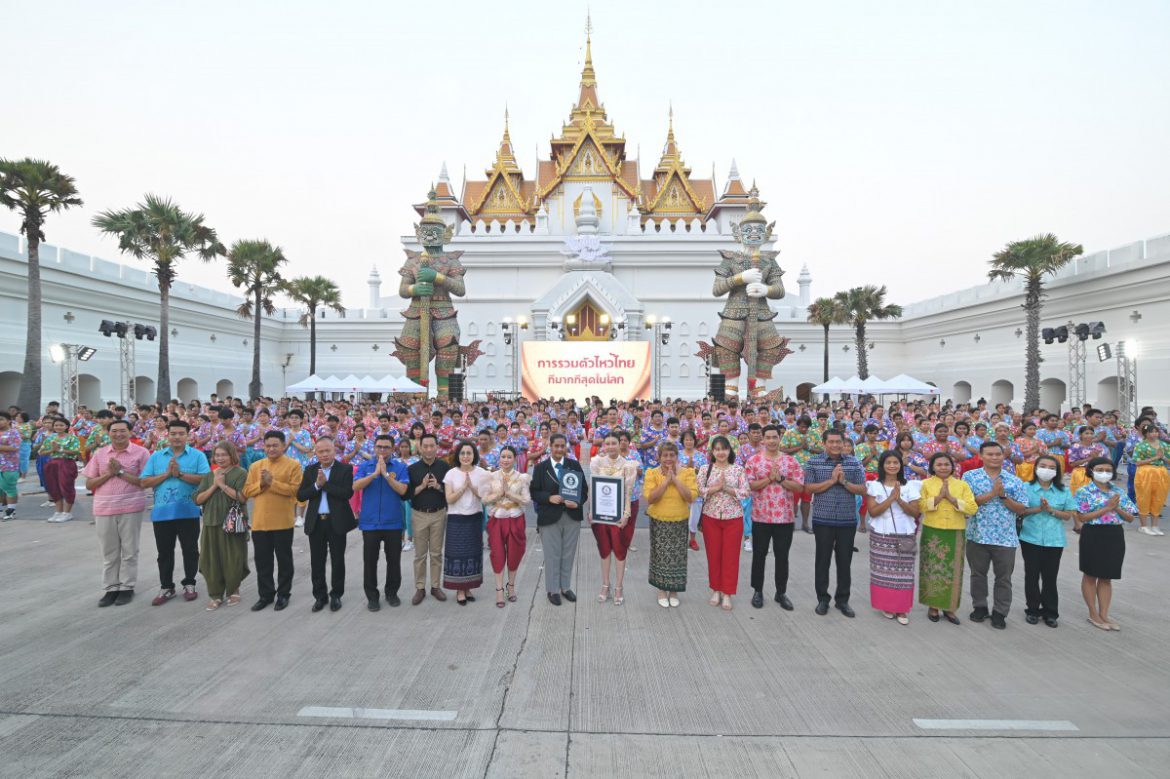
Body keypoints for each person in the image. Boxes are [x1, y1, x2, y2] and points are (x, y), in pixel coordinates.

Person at [139, 420, 210, 605]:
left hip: (188, 512)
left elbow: (205, 480)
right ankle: (166, 586)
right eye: (173, 433)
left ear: (188, 435)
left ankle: (190, 583)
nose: (177, 437)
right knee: (164, 552)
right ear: (167, 435)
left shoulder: (197, 456)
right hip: (162, 514)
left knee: (191, 550)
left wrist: (180, 475)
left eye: (181, 433)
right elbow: (144, 482)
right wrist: (166, 474)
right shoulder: (156, 456)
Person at [81, 419, 149, 606]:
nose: (118, 434)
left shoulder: (141, 453)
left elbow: (145, 482)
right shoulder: (100, 453)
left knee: (129, 550)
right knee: (109, 551)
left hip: (131, 507)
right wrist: (109, 474)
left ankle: (127, 587)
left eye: (122, 431)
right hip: (104, 508)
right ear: (108, 433)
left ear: (130, 432)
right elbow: (89, 483)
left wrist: (120, 473)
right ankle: (111, 588)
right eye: (114, 431)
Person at [962, 441, 1029, 629]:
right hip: (977, 535)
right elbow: (969, 504)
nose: (994, 458)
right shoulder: (970, 477)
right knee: (977, 575)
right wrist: (992, 493)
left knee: (1004, 578)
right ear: (981, 456)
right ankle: (980, 607)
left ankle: (1000, 612)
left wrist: (1003, 496)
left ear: (1003, 456)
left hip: (1005, 537)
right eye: (989, 454)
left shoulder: (1013, 480)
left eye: (998, 454)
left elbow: (1022, 508)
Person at [803, 430, 867, 617]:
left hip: (847, 519)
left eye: (838, 442)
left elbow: (862, 489)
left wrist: (844, 482)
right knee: (822, 561)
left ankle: (842, 600)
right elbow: (808, 488)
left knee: (844, 561)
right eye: (831, 442)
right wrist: (832, 481)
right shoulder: (814, 462)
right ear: (824, 443)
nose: (835, 445)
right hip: (823, 519)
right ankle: (823, 599)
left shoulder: (853, 462)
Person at [745, 425, 805, 611]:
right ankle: (758, 591)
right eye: (768, 437)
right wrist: (769, 479)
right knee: (759, 555)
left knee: (782, 556)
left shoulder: (791, 462)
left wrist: (780, 479)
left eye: (774, 437)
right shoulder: (754, 461)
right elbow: (750, 486)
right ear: (762, 439)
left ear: (780, 438)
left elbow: (799, 487)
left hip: (785, 518)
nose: (771, 441)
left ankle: (781, 592)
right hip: (761, 517)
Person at [243, 430, 303, 611]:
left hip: (283, 522)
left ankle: (284, 594)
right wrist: (261, 484)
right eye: (268, 445)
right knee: (263, 561)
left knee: (284, 561)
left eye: (275, 445)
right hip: (260, 522)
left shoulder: (293, 465)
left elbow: (295, 491)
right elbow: (246, 492)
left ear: (284, 446)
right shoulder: (256, 466)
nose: (271, 449)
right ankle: (266, 595)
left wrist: (272, 483)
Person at [1075, 457, 1138, 630]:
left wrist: (1116, 507)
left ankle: (1104, 613)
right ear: (1091, 470)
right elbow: (1082, 517)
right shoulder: (1084, 491)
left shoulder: (1118, 491)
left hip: (1114, 534)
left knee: (1106, 576)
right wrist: (1107, 508)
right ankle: (1093, 613)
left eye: (1108, 470)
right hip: (1093, 534)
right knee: (1090, 574)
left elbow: (1131, 517)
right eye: (1100, 469)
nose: (1104, 473)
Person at [353, 434, 412, 611]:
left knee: (393, 561)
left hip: (393, 523)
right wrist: (375, 474)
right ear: (374, 447)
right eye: (379, 446)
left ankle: (392, 593)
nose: (382, 450)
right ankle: (372, 597)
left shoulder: (401, 467)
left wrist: (386, 475)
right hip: (370, 523)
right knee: (370, 562)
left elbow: (402, 490)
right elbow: (356, 486)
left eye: (386, 447)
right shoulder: (365, 466)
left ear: (393, 449)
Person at [863, 450, 922, 625]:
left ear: (900, 465)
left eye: (895, 462)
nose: (892, 466)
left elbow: (916, 512)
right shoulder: (874, 486)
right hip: (881, 533)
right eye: (888, 462)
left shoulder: (910, 486)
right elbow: (873, 512)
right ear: (882, 465)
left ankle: (902, 609)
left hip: (905, 532)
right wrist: (890, 499)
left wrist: (900, 500)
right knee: (883, 572)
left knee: (904, 573)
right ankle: (887, 606)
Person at [298, 437, 356, 612]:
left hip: (336, 521)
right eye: (320, 451)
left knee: (338, 560)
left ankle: (336, 595)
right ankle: (320, 596)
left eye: (327, 451)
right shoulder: (310, 470)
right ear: (315, 453)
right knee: (317, 561)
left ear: (334, 451)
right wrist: (316, 485)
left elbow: (346, 493)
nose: (324, 454)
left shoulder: (345, 469)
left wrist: (325, 485)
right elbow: (300, 495)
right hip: (316, 522)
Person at [918, 453, 977, 623]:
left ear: (952, 466)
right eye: (939, 464)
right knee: (932, 569)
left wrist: (950, 498)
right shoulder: (925, 484)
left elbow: (972, 509)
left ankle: (950, 608)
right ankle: (933, 607)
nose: (943, 467)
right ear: (933, 467)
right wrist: (938, 498)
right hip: (933, 531)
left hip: (955, 531)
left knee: (954, 570)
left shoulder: (962, 485)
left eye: (946, 464)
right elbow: (920, 505)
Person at [531, 433, 588, 606]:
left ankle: (565, 587)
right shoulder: (541, 467)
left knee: (568, 554)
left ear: (566, 447)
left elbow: (584, 491)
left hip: (571, 516)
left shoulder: (574, 465)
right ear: (550, 446)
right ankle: (553, 589)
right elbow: (534, 492)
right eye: (556, 446)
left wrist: (576, 502)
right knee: (552, 555)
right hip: (550, 517)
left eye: (562, 446)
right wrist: (549, 497)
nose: (559, 449)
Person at [1018, 454, 1075, 627]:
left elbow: (1068, 515)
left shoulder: (1063, 491)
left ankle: (1050, 612)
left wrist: (1050, 510)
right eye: (1043, 466)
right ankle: (1033, 610)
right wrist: (1037, 509)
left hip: (1054, 540)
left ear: (1057, 471)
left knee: (1050, 577)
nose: (1047, 470)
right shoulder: (1025, 487)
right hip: (1030, 537)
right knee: (1032, 575)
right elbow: (1020, 511)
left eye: (1052, 468)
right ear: (1035, 468)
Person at [193, 441, 250, 610]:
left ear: (232, 455)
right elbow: (197, 499)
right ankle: (215, 594)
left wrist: (223, 486)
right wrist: (214, 485)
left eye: (224, 454)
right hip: (211, 522)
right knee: (209, 559)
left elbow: (242, 497)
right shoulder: (210, 475)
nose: (220, 458)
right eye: (217, 455)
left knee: (233, 557)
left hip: (232, 523)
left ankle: (234, 590)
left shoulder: (240, 473)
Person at [696, 435, 749, 611]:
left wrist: (727, 489)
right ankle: (716, 589)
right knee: (714, 555)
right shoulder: (705, 469)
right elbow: (700, 491)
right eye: (717, 449)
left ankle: (727, 592)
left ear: (729, 451)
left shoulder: (738, 470)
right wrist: (715, 488)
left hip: (733, 517)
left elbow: (745, 492)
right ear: (712, 451)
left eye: (724, 449)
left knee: (731, 557)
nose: (720, 452)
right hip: (711, 516)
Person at [645, 441, 697, 608]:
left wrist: (675, 479)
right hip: (659, 521)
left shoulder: (688, 473)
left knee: (677, 557)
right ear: (659, 457)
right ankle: (661, 590)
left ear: (677, 456)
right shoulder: (652, 473)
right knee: (659, 556)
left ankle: (674, 591)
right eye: (665, 455)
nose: (668, 458)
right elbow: (651, 498)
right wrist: (666, 481)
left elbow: (690, 497)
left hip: (679, 521)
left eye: (672, 455)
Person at [590, 434, 638, 605]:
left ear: (620, 444)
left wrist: (626, 515)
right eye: (607, 443)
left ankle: (618, 586)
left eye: (614, 443)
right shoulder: (597, 463)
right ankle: (605, 584)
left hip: (618, 516)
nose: (610, 446)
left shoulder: (628, 465)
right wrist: (592, 511)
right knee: (604, 550)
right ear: (604, 445)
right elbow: (594, 487)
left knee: (619, 550)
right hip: (601, 515)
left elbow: (628, 493)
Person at [442, 441, 490, 605]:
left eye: (469, 453)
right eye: (462, 453)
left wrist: (473, 488)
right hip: (456, 518)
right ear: (458, 456)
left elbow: (485, 498)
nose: (465, 456)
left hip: (474, 518)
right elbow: (449, 499)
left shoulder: (481, 473)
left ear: (474, 455)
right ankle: (459, 590)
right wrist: (463, 487)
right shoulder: (451, 474)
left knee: (473, 554)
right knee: (457, 555)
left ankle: (468, 588)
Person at [483, 446, 530, 608]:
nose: (505, 460)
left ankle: (511, 586)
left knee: (515, 552)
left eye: (509, 457)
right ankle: (498, 589)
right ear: (499, 458)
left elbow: (526, 500)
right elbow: (485, 499)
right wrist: (498, 495)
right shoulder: (491, 477)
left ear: (515, 459)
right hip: (497, 519)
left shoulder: (522, 477)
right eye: (503, 456)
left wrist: (509, 494)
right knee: (497, 553)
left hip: (516, 519)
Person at [407, 433, 451, 605]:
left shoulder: (444, 467)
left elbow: (450, 491)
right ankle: (419, 587)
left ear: (436, 447)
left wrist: (438, 486)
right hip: (419, 513)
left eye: (432, 446)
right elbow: (407, 494)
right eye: (425, 446)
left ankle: (435, 586)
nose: (428, 449)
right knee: (419, 554)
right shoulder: (412, 469)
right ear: (420, 447)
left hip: (438, 513)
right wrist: (422, 486)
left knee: (436, 553)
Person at [42, 416, 83, 522]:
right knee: (53, 487)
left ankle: (67, 512)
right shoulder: (50, 438)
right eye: (56, 425)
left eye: (61, 425)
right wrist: (52, 449)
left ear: (66, 427)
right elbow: (41, 452)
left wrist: (60, 449)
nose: (58, 427)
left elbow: (76, 451)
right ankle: (58, 511)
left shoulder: (72, 438)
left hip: (67, 463)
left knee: (66, 487)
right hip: (52, 464)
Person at [1131, 423, 1170, 535]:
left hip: (1161, 473)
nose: (1154, 434)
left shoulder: (1164, 445)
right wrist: (1155, 458)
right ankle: (1143, 526)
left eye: (1156, 431)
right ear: (1145, 434)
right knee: (1144, 497)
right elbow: (1137, 462)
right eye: (1151, 432)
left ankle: (1155, 525)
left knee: (1159, 498)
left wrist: (1162, 457)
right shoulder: (1141, 445)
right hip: (1145, 473)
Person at [0, 412, 21, 520]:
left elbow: (15, 447)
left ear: (9, 421)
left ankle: (11, 510)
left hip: (10, 465)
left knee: (10, 488)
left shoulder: (13, 432)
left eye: (1, 419)